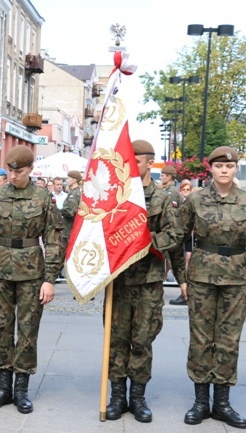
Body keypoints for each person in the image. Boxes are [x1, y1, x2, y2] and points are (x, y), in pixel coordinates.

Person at [175, 146, 246, 429]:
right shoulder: (195, 200)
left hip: (237, 280)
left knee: (229, 340)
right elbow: (178, 239)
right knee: (201, 339)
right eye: (219, 166)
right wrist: (181, 277)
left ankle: (222, 403)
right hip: (201, 279)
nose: (224, 170)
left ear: (235, 169)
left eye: (229, 167)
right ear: (211, 169)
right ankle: (201, 401)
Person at [0, 145, 63, 414]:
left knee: (27, 330)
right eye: (11, 170)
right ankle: (3, 387)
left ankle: (21, 389)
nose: (13, 176)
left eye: (20, 171)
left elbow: (53, 240)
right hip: (0, 270)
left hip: (31, 273)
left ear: (30, 170)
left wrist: (49, 278)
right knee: (2, 327)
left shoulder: (42, 198)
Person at [105, 139, 183, 423]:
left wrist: (144, 241)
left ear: (150, 163)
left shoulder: (163, 198)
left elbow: (174, 236)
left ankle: (137, 396)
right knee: (116, 339)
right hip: (118, 280)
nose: (129, 166)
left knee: (142, 340)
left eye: (135, 162)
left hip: (148, 280)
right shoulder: (115, 198)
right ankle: (116, 396)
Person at [60, 170, 83, 250]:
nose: (67, 180)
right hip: (68, 229)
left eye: (68, 178)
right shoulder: (73, 192)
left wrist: (58, 211)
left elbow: (70, 212)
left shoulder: (75, 193)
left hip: (69, 229)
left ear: (74, 180)